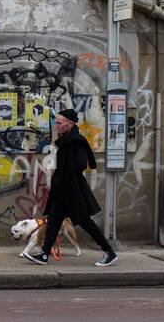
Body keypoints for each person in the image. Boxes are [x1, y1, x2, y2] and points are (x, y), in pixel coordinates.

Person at [23, 108, 118, 267]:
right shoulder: (66, 141)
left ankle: (109, 252)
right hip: (62, 191)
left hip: (72, 190)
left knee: (85, 222)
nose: (57, 126)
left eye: (59, 123)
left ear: (70, 124)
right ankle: (45, 254)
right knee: (54, 220)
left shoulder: (77, 141)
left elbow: (81, 163)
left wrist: (67, 174)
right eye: (56, 123)